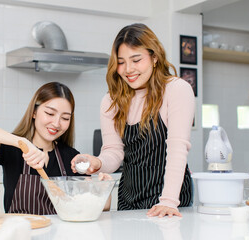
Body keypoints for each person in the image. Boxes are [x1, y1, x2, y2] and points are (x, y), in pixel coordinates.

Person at [71, 23, 194, 218]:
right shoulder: (111, 100)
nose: (128, 69)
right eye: (121, 62)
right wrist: (97, 162)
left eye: (136, 60)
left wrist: (168, 201)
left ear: (154, 57)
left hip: (169, 202)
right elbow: (113, 151)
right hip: (129, 199)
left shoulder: (176, 90)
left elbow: (177, 148)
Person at [0, 82, 86, 215]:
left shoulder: (71, 157)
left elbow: (97, 204)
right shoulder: (13, 149)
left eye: (65, 118)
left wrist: (103, 185)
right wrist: (21, 142)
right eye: (50, 114)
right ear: (34, 112)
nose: (56, 123)